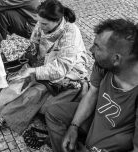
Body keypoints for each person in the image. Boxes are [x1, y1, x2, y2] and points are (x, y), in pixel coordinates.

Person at [0, 0, 88, 145]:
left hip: (69, 71)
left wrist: (34, 70)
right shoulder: (41, 25)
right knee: (18, 80)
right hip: (44, 62)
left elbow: (61, 67)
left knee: (37, 91)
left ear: (58, 20)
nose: (40, 26)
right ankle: (6, 107)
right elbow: (34, 42)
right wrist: (24, 51)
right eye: (39, 22)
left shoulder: (71, 32)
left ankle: (5, 116)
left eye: (45, 24)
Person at [45, 19, 138, 152]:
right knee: (54, 113)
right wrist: (74, 126)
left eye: (97, 46)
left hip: (117, 134)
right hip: (96, 117)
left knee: (95, 146)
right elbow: (92, 93)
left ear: (116, 59)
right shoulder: (103, 65)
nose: (90, 49)